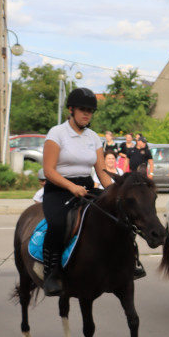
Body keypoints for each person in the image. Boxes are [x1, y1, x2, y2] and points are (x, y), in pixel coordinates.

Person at [41, 88, 115, 296]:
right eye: (83, 110)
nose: (87, 114)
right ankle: (52, 273)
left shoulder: (93, 137)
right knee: (57, 224)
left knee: (116, 215)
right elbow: (48, 170)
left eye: (90, 111)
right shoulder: (57, 133)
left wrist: (112, 191)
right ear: (71, 110)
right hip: (59, 189)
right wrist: (71, 187)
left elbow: (101, 171)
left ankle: (119, 264)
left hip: (87, 187)